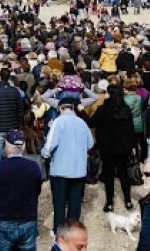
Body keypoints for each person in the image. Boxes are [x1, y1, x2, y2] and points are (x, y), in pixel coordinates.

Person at [40, 98, 94, 233]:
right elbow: (90, 144)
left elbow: (50, 144)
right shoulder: (82, 122)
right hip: (79, 170)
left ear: (60, 108)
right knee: (75, 203)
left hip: (60, 170)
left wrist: (44, 154)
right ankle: (72, 231)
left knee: (59, 203)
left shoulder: (58, 122)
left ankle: (59, 232)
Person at [0, 129, 43, 251]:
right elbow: (37, 190)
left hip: (4, 219)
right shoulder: (33, 167)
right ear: (22, 147)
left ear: (7, 146)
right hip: (27, 219)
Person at [89, 80, 138, 212]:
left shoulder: (103, 110)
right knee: (124, 175)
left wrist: (82, 111)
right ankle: (127, 200)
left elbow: (91, 122)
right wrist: (132, 146)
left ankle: (109, 202)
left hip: (107, 148)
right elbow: (130, 129)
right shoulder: (125, 109)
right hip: (123, 147)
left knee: (109, 175)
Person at [0, 68, 24, 166]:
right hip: (12, 125)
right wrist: (19, 124)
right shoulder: (15, 91)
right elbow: (20, 109)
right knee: (12, 151)